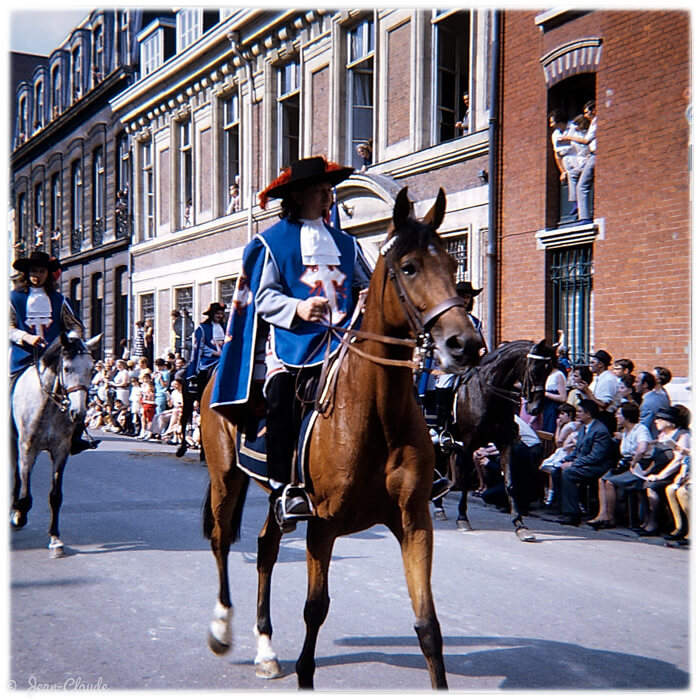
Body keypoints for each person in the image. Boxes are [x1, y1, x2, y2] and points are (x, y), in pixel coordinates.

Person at [211, 156, 372, 527]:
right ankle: (284, 486)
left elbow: (367, 282)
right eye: (319, 190)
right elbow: (263, 297)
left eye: (329, 190)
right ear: (297, 196)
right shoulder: (272, 243)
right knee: (282, 396)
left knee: (387, 378)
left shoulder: (346, 243)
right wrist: (298, 307)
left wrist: (368, 296)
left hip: (345, 337)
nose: (327, 196)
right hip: (293, 341)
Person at [9, 250, 99, 455]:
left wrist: (69, 341)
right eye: (33, 270)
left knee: (77, 390)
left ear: (48, 274)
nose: (37, 275)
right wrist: (26, 337)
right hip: (22, 358)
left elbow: (76, 327)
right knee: (7, 392)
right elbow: (8, 327)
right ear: (26, 273)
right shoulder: (14, 298)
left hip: (54, 359)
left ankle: (76, 435)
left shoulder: (59, 300)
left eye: (41, 271)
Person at [586, 401, 654, 529]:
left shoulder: (640, 429)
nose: (616, 416)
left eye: (619, 414)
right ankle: (602, 514)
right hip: (624, 464)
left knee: (611, 482)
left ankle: (610, 518)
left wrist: (634, 462)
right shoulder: (625, 432)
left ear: (627, 417)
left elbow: (642, 448)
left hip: (640, 467)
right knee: (602, 479)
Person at [557, 399, 616, 525]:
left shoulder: (600, 430)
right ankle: (563, 508)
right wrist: (565, 460)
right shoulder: (584, 428)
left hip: (598, 466)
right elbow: (578, 449)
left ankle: (573, 514)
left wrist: (573, 464)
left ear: (588, 414)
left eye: (579, 412)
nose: (577, 414)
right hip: (585, 463)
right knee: (556, 470)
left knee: (569, 473)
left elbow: (596, 456)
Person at [637, 405, 691, 536]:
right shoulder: (662, 435)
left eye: (659, 419)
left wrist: (660, 476)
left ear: (669, 421)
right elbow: (655, 458)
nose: (656, 421)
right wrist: (647, 471)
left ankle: (655, 523)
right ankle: (646, 520)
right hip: (658, 470)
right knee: (639, 484)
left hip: (672, 473)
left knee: (652, 486)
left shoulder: (682, 435)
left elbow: (678, 460)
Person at [540, 402, 581, 507]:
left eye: (563, 414)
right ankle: (551, 494)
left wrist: (558, 427)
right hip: (565, 451)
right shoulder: (574, 425)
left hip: (565, 453)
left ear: (570, 415)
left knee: (552, 467)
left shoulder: (569, 426)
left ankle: (551, 496)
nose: (560, 416)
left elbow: (558, 442)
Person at [563, 100, 596, 223]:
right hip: (591, 156)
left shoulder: (596, 123)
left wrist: (569, 138)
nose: (585, 115)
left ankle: (585, 217)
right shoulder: (593, 123)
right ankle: (575, 203)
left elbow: (586, 141)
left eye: (587, 112)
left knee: (582, 186)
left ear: (594, 110)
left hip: (593, 156)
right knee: (573, 174)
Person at [185, 302, 227, 398]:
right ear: (212, 315)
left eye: (221, 314)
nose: (220, 316)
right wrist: (214, 353)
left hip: (224, 357)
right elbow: (200, 346)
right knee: (203, 373)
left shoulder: (226, 328)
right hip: (209, 359)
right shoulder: (203, 328)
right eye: (217, 314)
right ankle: (201, 395)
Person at [540, 345, 568, 432]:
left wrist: (546, 394)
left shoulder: (558, 375)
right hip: (546, 408)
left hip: (553, 409)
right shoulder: (547, 375)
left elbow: (563, 397)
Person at [635, 371, 670, 438]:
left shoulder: (646, 404)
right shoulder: (663, 397)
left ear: (645, 384)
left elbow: (643, 427)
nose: (634, 384)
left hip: (653, 439)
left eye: (637, 382)